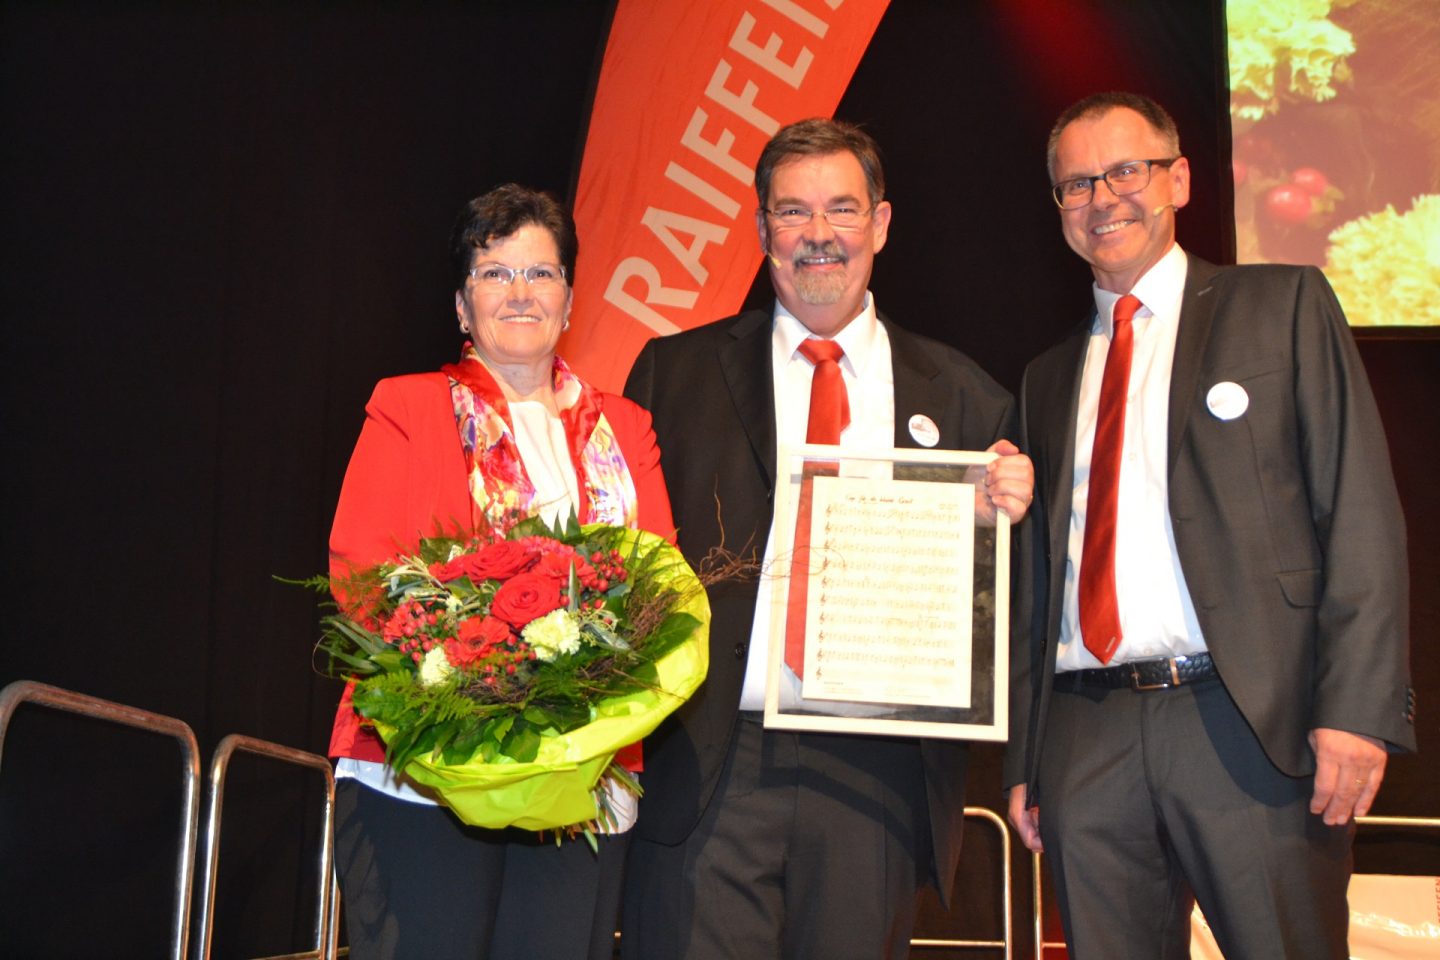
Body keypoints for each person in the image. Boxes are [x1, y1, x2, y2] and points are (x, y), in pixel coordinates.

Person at [1005, 91, 1416, 959]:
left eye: (1127, 170)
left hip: (1246, 721)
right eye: (1076, 184)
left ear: (1179, 178)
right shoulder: (1045, 376)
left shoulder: (1284, 306)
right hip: (1088, 731)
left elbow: (1361, 512)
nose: (1102, 197)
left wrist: (1358, 709)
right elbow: (1039, 583)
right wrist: (1030, 760)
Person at [621, 117, 1034, 959]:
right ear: (762, 227)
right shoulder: (673, 372)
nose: (818, 236)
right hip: (710, 763)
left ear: (881, 224)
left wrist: (1003, 520)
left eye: (842, 210)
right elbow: (625, 561)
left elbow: (1004, 611)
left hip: (875, 774)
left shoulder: (967, 397)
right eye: (793, 212)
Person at [326, 183, 675, 960]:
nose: (520, 293)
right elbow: (361, 572)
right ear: (460, 305)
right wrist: (470, 684)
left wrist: (569, 691)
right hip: (424, 768)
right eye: (494, 273)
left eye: (541, 274)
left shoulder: (628, 428)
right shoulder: (407, 408)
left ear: (571, 300)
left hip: (581, 777)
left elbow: (661, 591)